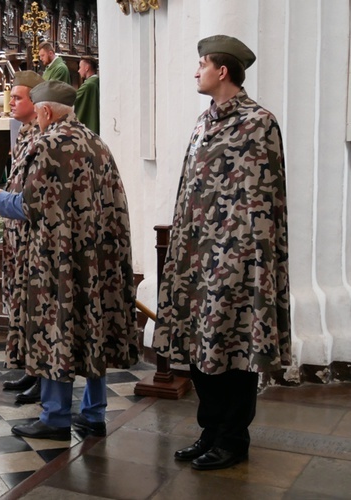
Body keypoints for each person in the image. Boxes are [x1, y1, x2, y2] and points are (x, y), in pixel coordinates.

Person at [152, 35, 290, 471]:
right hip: (195, 255)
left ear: (222, 70)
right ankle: (209, 431)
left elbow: (266, 200)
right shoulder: (201, 122)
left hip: (237, 258)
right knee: (201, 343)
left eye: (201, 64)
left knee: (234, 343)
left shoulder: (259, 123)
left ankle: (233, 438)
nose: (196, 72)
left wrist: (251, 263)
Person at [0, 80, 137, 440]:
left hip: (58, 259)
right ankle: (94, 413)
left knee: (58, 329)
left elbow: (32, 204)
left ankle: (54, 417)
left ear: (46, 111)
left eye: (37, 112)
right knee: (91, 328)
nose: (36, 120)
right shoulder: (96, 142)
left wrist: (1, 198)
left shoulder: (49, 143)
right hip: (96, 256)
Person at [0, 70, 44, 405]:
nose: (11, 102)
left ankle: (41, 376)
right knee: (19, 305)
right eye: (11, 97)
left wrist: (5, 202)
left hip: (32, 235)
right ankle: (29, 367)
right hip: (16, 234)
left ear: (36, 101)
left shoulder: (41, 137)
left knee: (34, 306)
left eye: (17, 98)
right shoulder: (23, 132)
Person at [74, 56, 100, 134]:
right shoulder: (97, 81)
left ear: (87, 68)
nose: (78, 71)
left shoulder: (88, 85)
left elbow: (72, 101)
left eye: (80, 67)